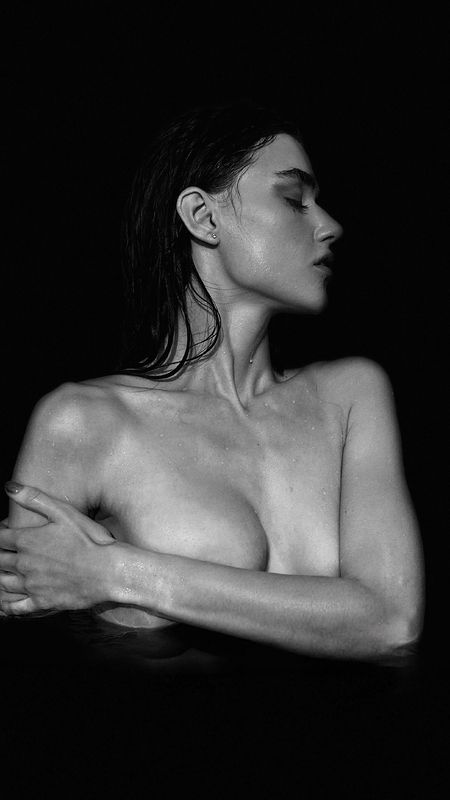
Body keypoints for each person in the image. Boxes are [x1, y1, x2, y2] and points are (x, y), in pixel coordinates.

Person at [0, 101, 424, 670]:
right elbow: (30, 657)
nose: (329, 225)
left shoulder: (351, 396)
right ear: (202, 216)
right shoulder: (84, 421)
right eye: (294, 199)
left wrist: (116, 572)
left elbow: (391, 623)